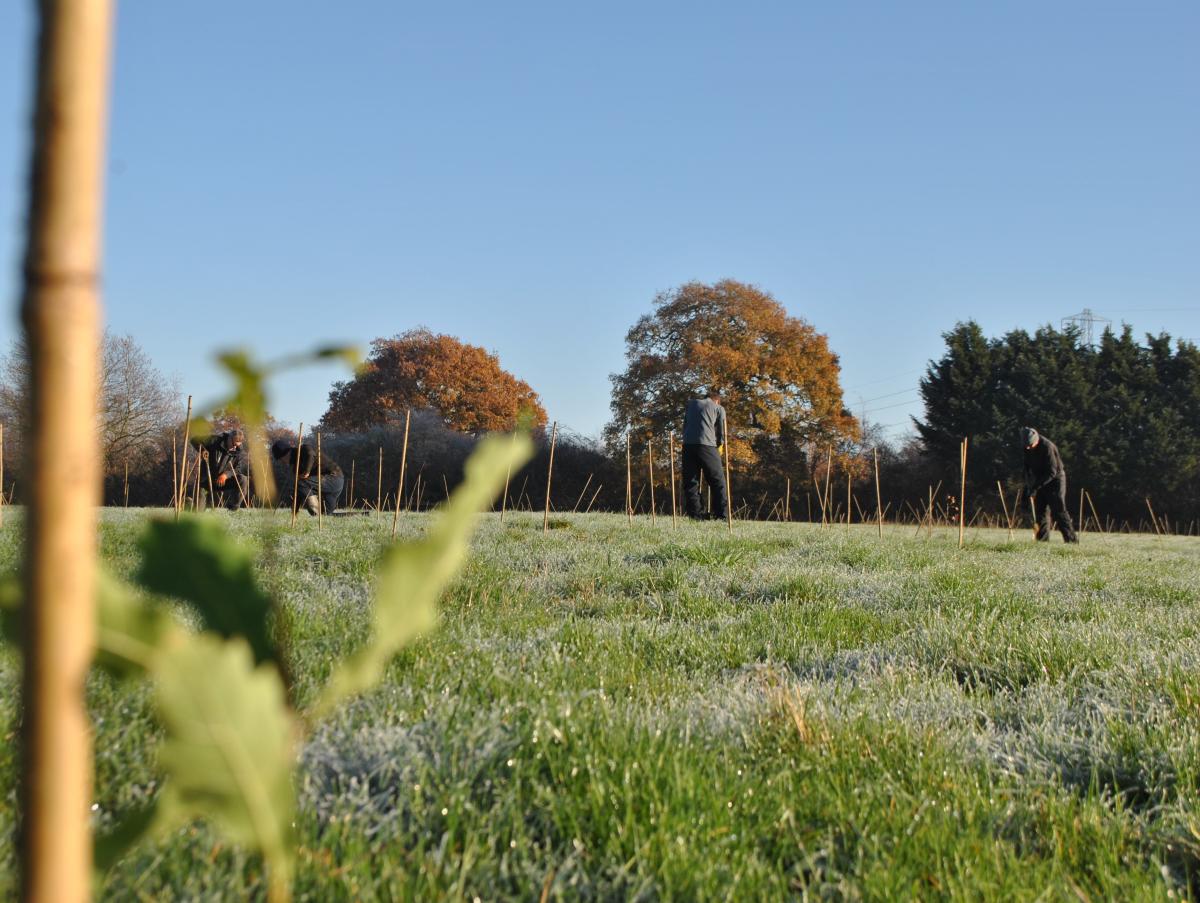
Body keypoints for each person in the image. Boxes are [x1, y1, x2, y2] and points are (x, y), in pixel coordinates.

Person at [1022, 426, 1078, 543]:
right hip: (1039, 480)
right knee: (1040, 512)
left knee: (1059, 511)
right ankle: (1042, 541)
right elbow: (1027, 468)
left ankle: (1072, 541)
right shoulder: (1027, 447)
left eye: (1030, 445)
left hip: (1055, 480)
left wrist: (1036, 487)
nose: (1028, 448)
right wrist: (1028, 486)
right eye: (1026, 446)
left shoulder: (1047, 447)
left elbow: (1052, 472)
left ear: (1036, 439)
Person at [681, 390, 728, 520]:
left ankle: (695, 515)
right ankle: (721, 515)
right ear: (717, 400)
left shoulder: (691, 405)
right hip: (707, 446)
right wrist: (720, 445)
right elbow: (721, 430)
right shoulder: (718, 408)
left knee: (691, 482)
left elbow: (685, 426)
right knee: (717, 481)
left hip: (687, 445)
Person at [272, 438, 344, 515]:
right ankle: (353, 515)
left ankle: (316, 511)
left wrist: (307, 471)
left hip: (333, 478)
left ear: (286, 453)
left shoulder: (303, 448)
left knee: (302, 483)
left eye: (280, 459)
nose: (282, 462)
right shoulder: (295, 468)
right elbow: (298, 491)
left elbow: (310, 454)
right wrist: (294, 512)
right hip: (327, 488)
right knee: (325, 514)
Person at [196, 429, 248, 510]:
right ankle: (188, 503)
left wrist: (226, 475)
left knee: (243, 479)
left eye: (237, 445)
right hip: (206, 480)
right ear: (229, 438)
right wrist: (203, 450)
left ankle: (233, 509)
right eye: (233, 444)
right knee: (198, 510)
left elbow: (238, 469)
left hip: (223, 482)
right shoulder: (215, 440)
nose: (234, 447)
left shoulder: (238, 451)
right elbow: (194, 440)